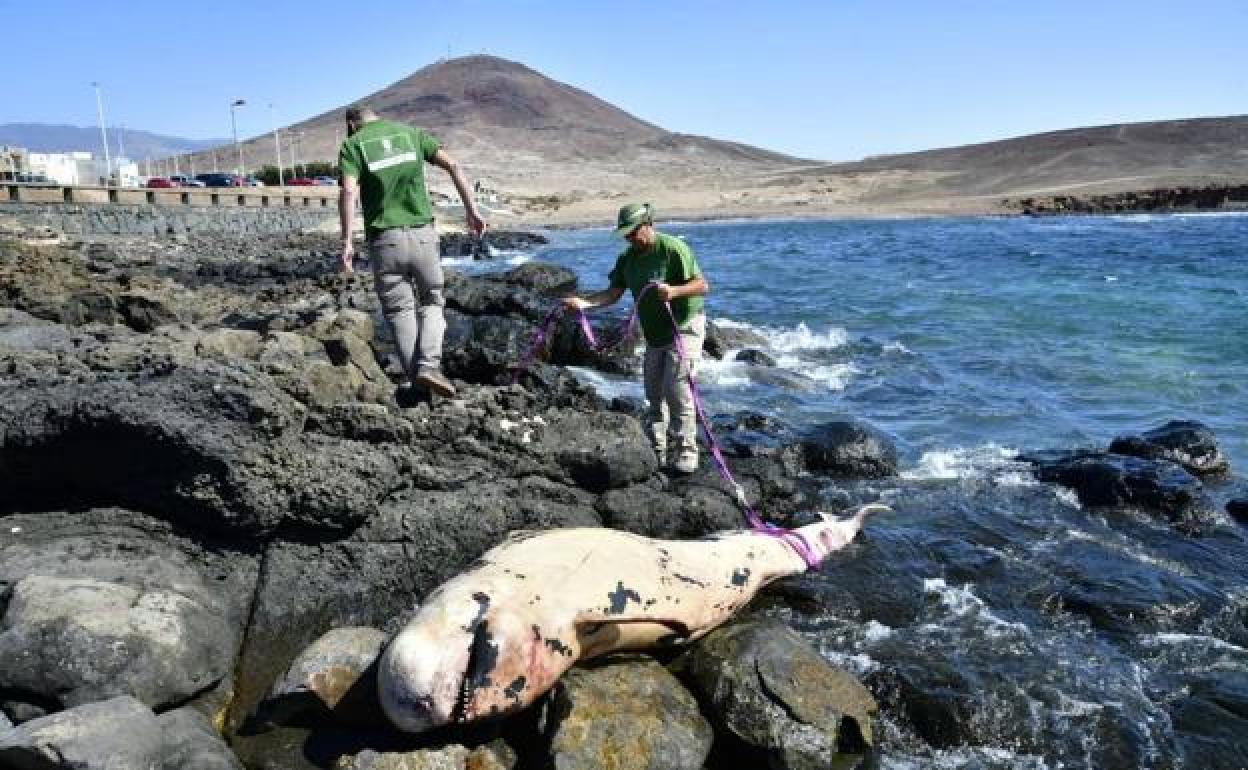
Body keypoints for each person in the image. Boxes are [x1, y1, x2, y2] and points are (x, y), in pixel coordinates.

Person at [337, 105, 486, 398]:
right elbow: (454, 166)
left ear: (353, 125)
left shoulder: (353, 145)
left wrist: (347, 242)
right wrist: (473, 212)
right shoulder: (411, 134)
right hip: (423, 237)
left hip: (385, 241)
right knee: (432, 301)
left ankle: (418, 389)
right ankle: (429, 365)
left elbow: (348, 192)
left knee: (399, 310)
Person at [563, 203, 710, 473]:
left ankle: (687, 451)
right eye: (626, 234)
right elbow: (613, 293)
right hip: (654, 333)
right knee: (654, 392)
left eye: (633, 233)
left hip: (684, 327)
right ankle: (658, 450)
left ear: (648, 224)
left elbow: (702, 285)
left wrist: (674, 292)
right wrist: (584, 303)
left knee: (676, 389)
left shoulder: (673, 248)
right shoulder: (627, 259)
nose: (630, 238)